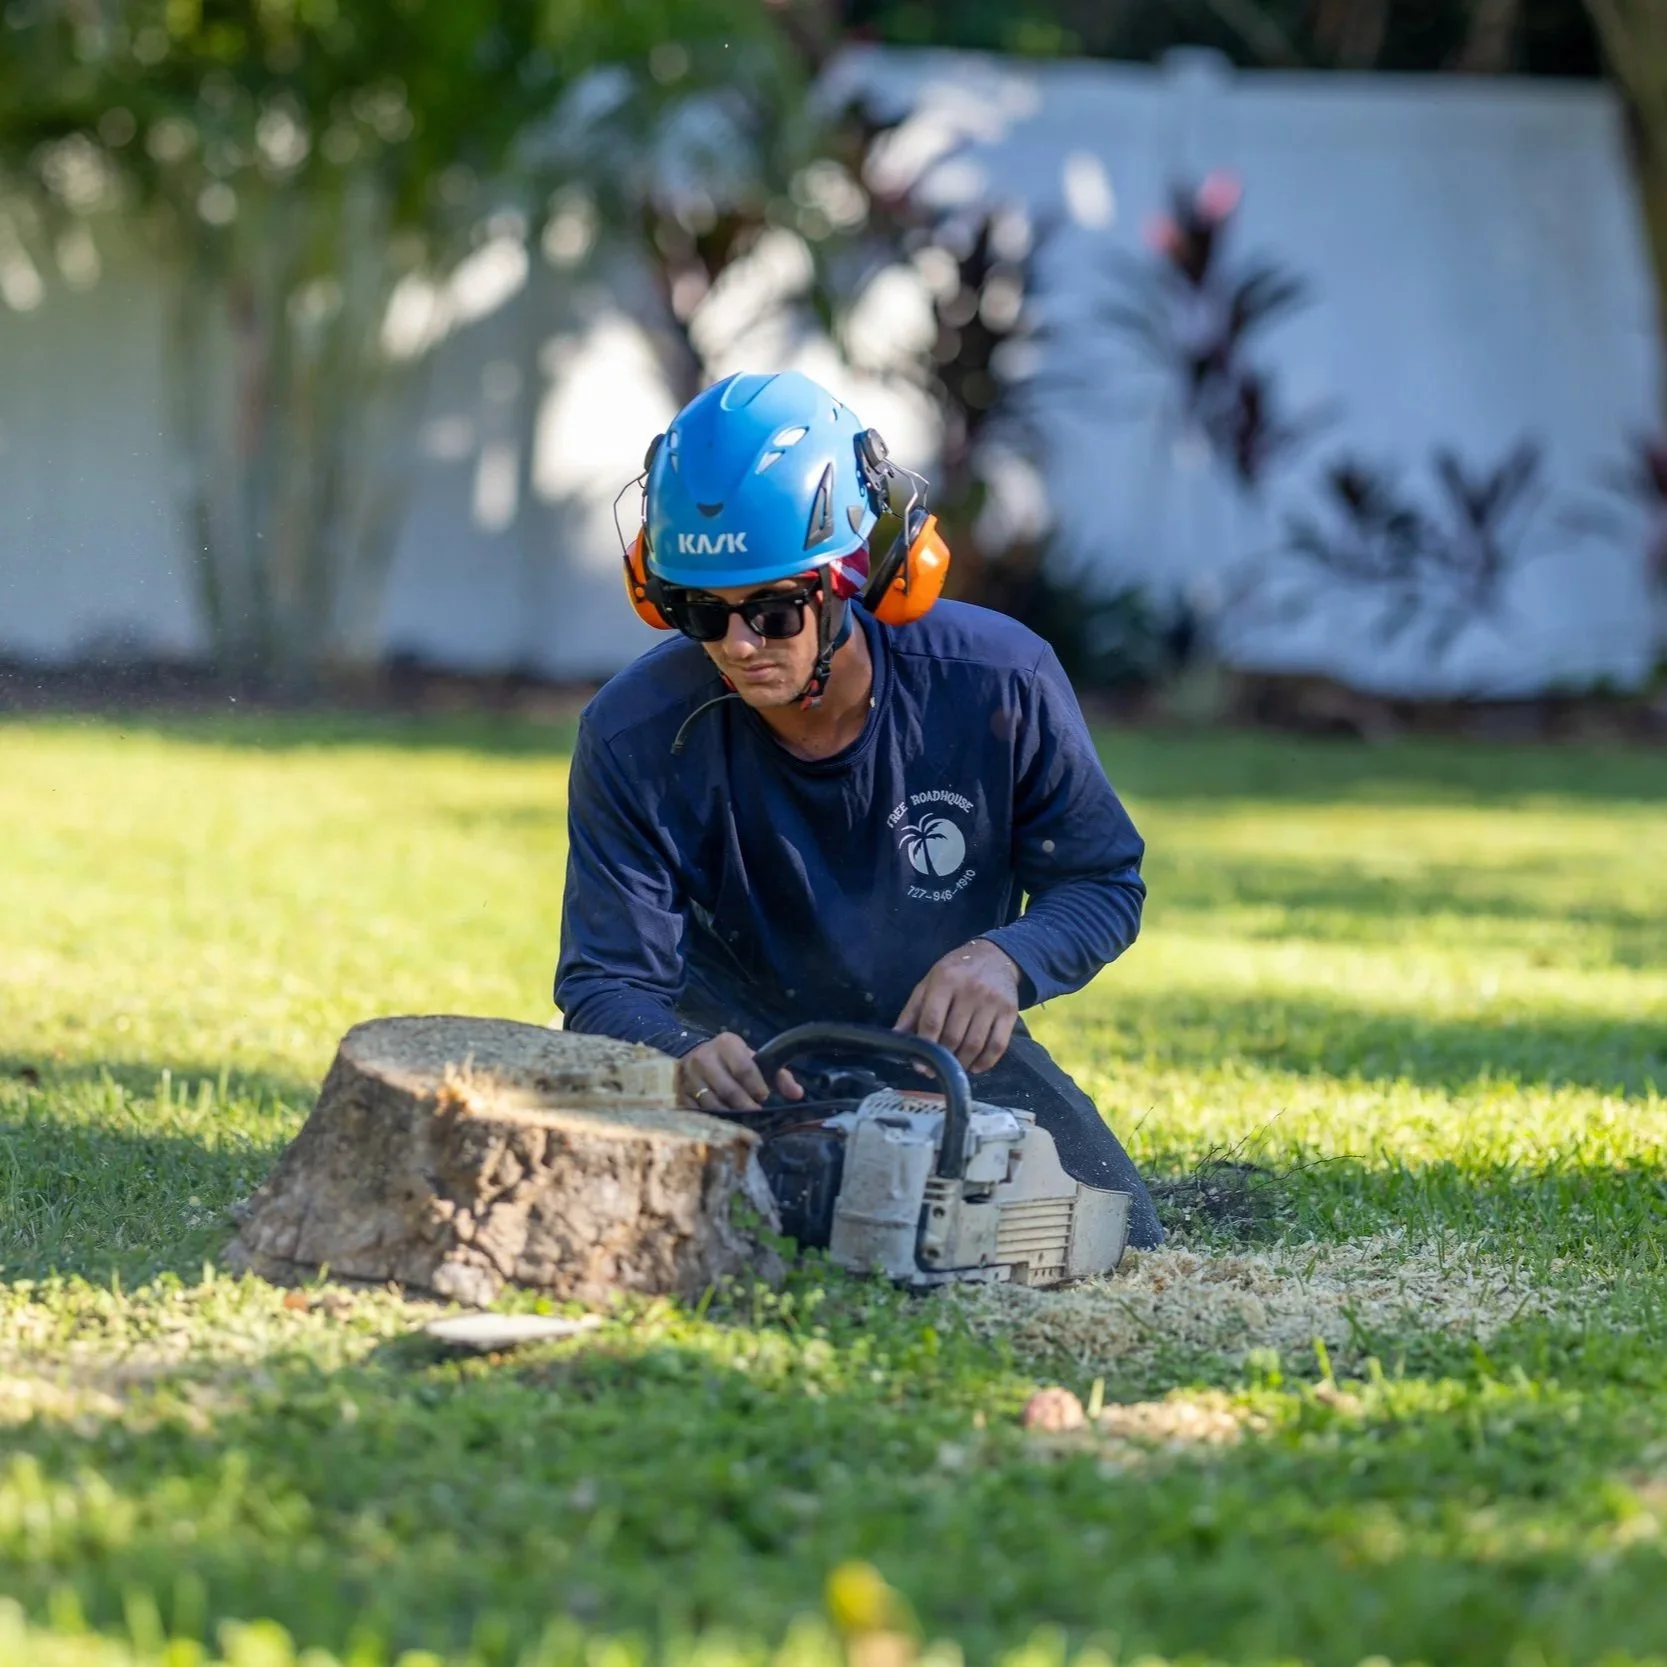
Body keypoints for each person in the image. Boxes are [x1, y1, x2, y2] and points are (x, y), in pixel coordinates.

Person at [555, 370, 1162, 1248]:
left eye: (771, 610)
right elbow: (604, 979)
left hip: (935, 1051)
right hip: (736, 1061)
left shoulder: (997, 682)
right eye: (698, 613)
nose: (737, 647)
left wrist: (1006, 959)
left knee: (1118, 1225)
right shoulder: (633, 734)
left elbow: (1102, 880)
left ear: (853, 577)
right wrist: (672, 1048)